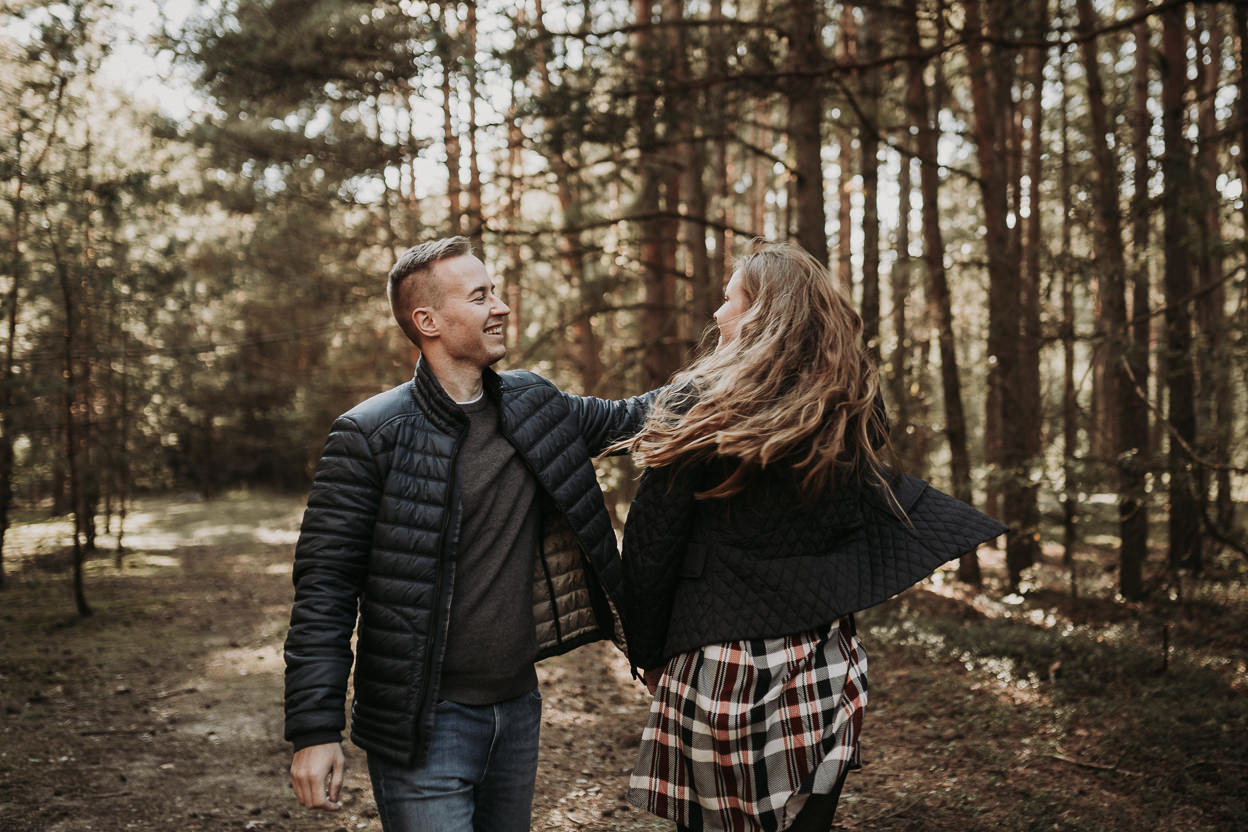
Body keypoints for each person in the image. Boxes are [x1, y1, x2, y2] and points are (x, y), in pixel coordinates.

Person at [617, 240, 1006, 832]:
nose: (717, 315)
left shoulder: (697, 403)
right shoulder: (850, 409)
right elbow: (858, 527)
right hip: (823, 664)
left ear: (765, 316)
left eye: (731, 301)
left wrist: (646, 652)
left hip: (720, 667)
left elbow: (651, 546)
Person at [283, 236, 656, 832]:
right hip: (422, 723)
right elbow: (324, 591)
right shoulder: (370, 435)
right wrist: (314, 731)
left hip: (518, 710)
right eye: (480, 296)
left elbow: (640, 416)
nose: (501, 306)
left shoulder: (535, 405)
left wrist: (746, 361)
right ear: (427, 320)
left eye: (496, 291)